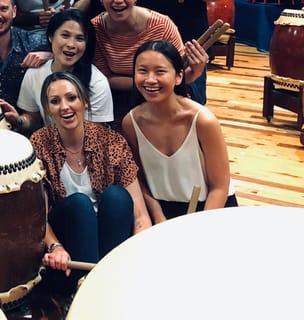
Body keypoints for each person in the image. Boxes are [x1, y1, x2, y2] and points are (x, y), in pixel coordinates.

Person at [32, 71, 151, 295]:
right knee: (79, 203)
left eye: (71, 98)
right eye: (55, 101)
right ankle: (94, 289)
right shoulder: (39, 143)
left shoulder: (111, 140)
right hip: (67, 240)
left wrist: (138, 252)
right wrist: (55, 246)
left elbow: (140, 216)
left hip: (111, 235)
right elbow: (38, 217)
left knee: (116, 196)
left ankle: (99, 285)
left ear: (85, 102)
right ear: (47, 109)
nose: (65, 107)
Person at [122, 41, 236, 222]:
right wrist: (158, 216)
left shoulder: (203, 121)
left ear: (179, 76)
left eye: (160, 71)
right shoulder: (131, 122)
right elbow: (139, 179)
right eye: (142, 71)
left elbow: (220, 187)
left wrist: (199, 226)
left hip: (211, 208)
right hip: (162, 210)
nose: (150, 79)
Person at [91, 0, 208, 125]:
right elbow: (103, 79)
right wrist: (144, 83)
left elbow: (179, 77)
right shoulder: (95, 28)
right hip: (121, 98)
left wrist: (196, 70)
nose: (118, 1)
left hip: (163, 94)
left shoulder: (162, 25)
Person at [12, 9, 112, 133]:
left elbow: (95, 134)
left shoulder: (97, 82)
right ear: (50, 36)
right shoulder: (34, 73)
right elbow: (33, 117)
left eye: (79, 38)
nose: (71, 44)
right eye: (65, 35)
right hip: (49, 141)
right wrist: (19, 121)